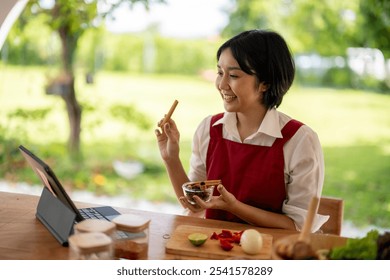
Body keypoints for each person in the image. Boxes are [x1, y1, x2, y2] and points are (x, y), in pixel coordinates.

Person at [155, 29, 328, 232]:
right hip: (213, 248)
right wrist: (171, 158)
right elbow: (194, 205)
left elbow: (298, 226)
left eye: (234, 75)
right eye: (220, 73)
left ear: (266, 83)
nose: (221, 84)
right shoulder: (209, 130)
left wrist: (235, 207)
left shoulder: (299, 141)